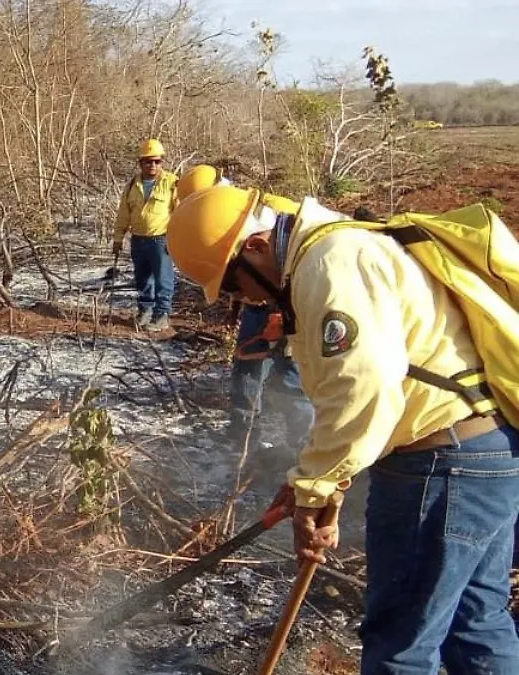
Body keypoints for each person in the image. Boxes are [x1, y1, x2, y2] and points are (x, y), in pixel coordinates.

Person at [167, 185, 519, 674]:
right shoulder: (337, 250)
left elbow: (364, 387)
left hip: (439, 466)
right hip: (483, 453)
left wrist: (316, 487)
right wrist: (313, 481)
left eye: (231, 284)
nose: (241, 299)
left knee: (400, 645)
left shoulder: (330, 262)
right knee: (475, 624)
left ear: (255, 246)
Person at [177, 165, 313, 462]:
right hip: (258, 307)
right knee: (247, 372)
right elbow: (235, 271)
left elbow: (287, 267)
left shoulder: (273, 211)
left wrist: (286, 317)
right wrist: (235, 306)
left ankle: (305, 445)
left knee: (291, 374)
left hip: (286, 306)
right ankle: (244, 437)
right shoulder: (226, 214)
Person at [113, 139, 178, 331]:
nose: (153, 165)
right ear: (140, 162)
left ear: (162, 162)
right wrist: (118, 238)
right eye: (148, 161)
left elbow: (181, 212)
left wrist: (178, 239)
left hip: (161, 239)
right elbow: (123, 214)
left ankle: (161, 315)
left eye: (157, 161)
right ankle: (145, 310)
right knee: (142, 278)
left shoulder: (172, 183)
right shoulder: (133, 185)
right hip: (138, 240)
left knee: (163, 279)